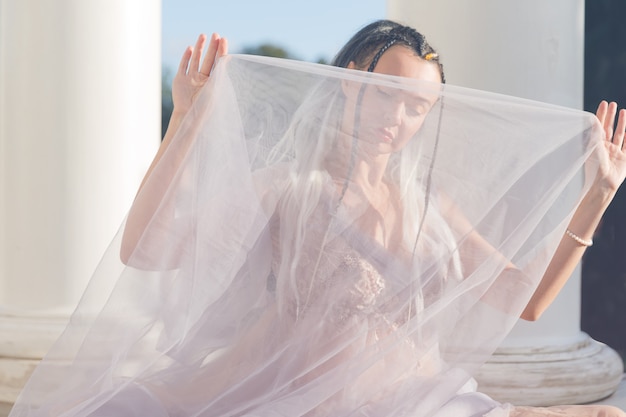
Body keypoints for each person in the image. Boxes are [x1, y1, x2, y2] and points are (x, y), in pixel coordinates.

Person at [9, 20, 626, 417]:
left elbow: (526, 300)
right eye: (389, 94)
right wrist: (184, 121)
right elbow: (143, 249)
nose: (400, 120)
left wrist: (598, 190)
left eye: (418, 109)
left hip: (423, 400)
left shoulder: (433, 209)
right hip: (299, 400)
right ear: (352, 81)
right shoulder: (293, 190)